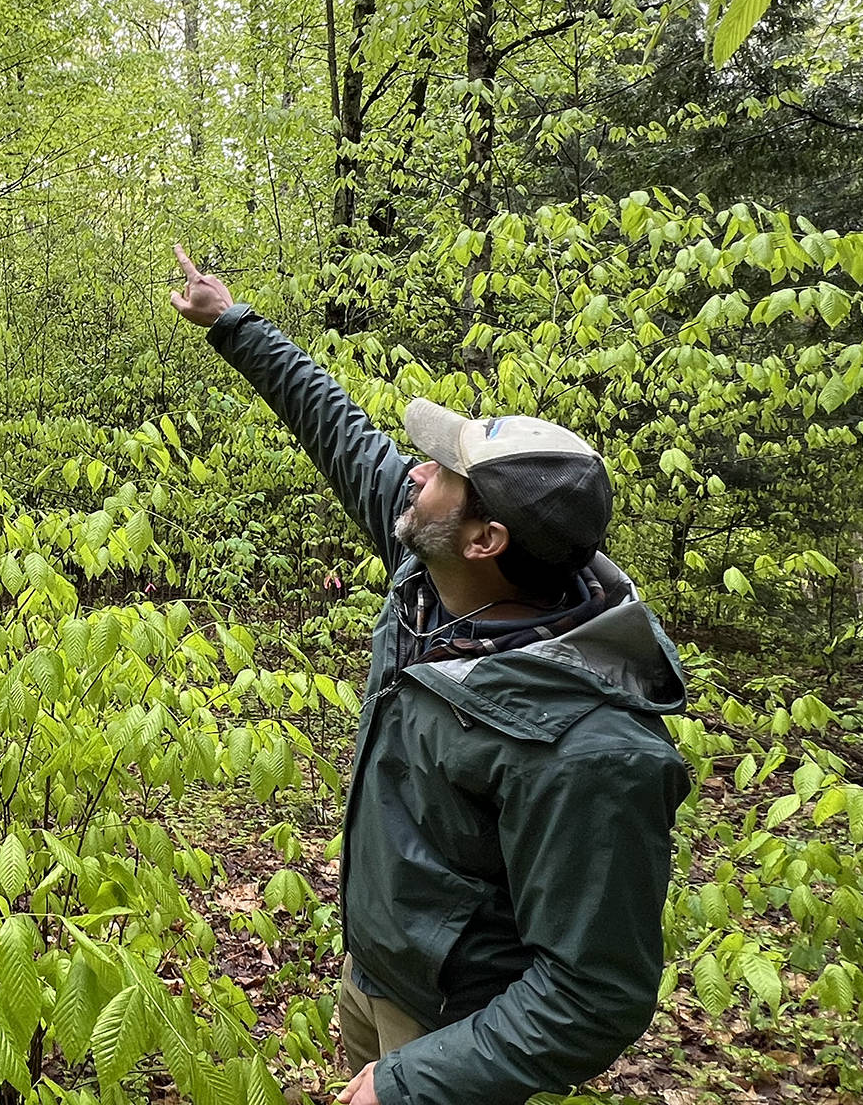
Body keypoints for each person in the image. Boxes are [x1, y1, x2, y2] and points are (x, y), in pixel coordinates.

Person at [168, 246, 690, 1105]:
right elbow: (335, 425)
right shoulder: (435, 575)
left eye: (444, 472)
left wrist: (412, 1081)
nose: (416, 471)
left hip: (457, 1032)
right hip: (375, 977)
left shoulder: (594, 748)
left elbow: (594, 994)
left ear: (488, 540)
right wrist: (233, 322)